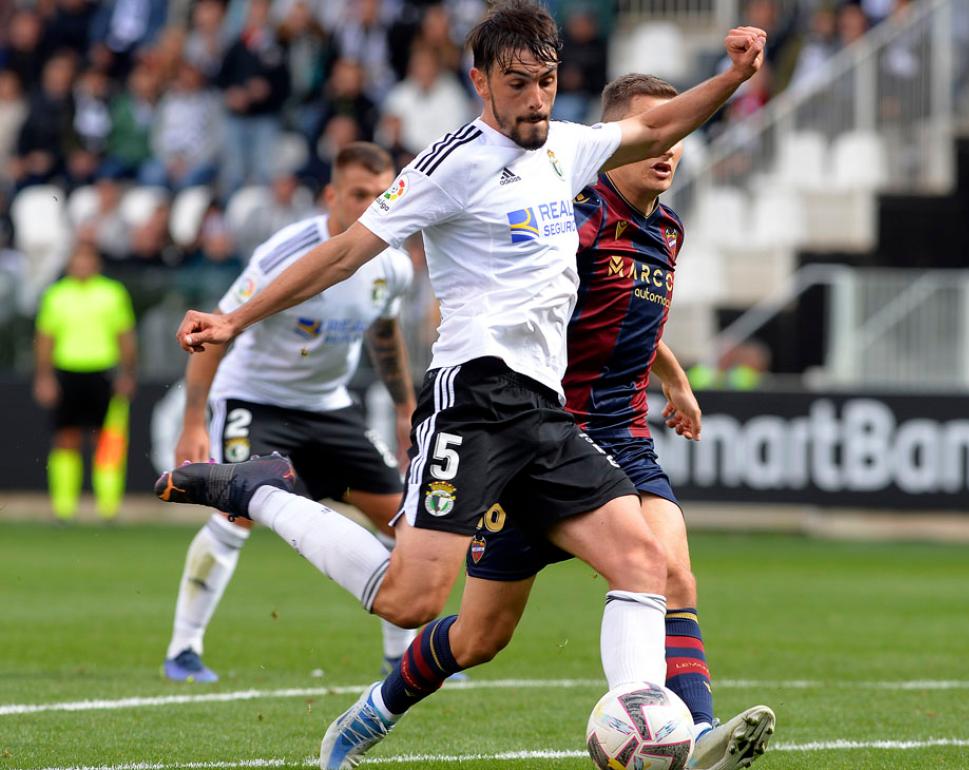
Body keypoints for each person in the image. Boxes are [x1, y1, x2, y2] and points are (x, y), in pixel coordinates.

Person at [156, 4, 766, 768]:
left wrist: (735, 75)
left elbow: (657, 125)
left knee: (643, 565)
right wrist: (236, 318)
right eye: (518, 84)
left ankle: (645, 741)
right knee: (411, 601)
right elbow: (344, 253)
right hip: (472, 401)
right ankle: (262, 490)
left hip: (544, 417)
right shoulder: (451, 163)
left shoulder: (568, 151)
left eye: (546, 81)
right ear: (480, 83)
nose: (536, 98)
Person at [464, 73, 774, 769]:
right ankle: (374, 710)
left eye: (679, 136)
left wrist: (676, 380)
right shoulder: (577, 216)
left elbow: (626, 313)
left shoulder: (667, 227)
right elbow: (537, 297)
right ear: (615, 142)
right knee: (477, 638)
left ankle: (696, 737)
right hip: (546, 439)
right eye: (653, 134)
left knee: (672, 574)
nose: (668, 149)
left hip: (624, 436)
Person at [161, 142, 420, 683]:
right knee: (236, 513)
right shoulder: (287, 252)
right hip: (256, 400)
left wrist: (404, 407)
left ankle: (402, 659)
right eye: (359, 194)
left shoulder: (392, 263)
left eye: (383, 194)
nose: (373, 205)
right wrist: (192, 421)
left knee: (403, 519)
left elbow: (384, 333)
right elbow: (216, 331)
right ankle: (183, 650)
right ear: (331, 195)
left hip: (328, 408)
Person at [34, 240, 137, 521]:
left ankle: (108, 508)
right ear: (70, 263)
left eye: (87, 259)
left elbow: (125, 336)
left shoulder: (112, 293)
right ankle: (64, 509)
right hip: (67, 372)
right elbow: (45, 339)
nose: (82, 264)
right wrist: (44, 377)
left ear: (96, 263)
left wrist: (128, 374)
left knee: (107, 442)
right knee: (66, 438)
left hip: (103, 372)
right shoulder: (56, 295)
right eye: (78, 259)